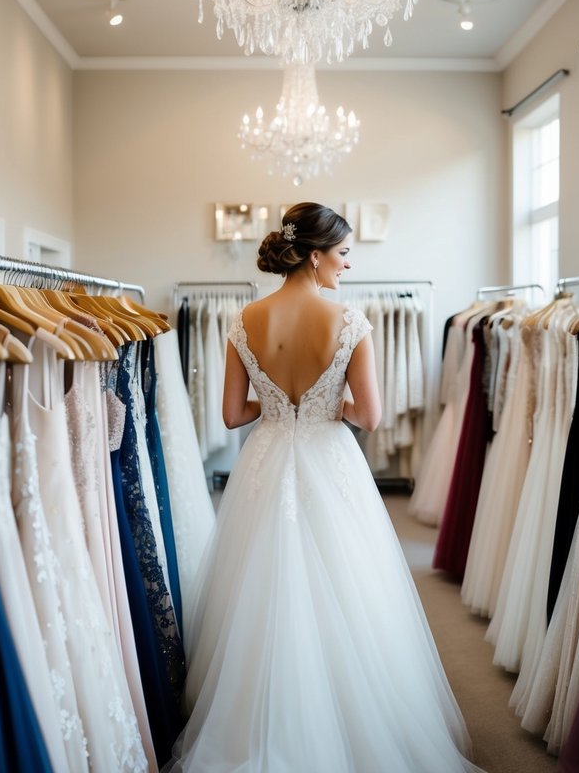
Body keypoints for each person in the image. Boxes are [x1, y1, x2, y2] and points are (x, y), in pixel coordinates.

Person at [167, 203, 481, 772]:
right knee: (350, 586)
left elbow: (233, 415)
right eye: (342, 254)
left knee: (257, 587)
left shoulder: (244, 320)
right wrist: (322, 405)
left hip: (265, 457)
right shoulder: (349, 321)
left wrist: (281, 407)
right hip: (327, 457)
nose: (349, 264)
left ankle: (255, 723)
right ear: (315, 256)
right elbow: (371, 417)